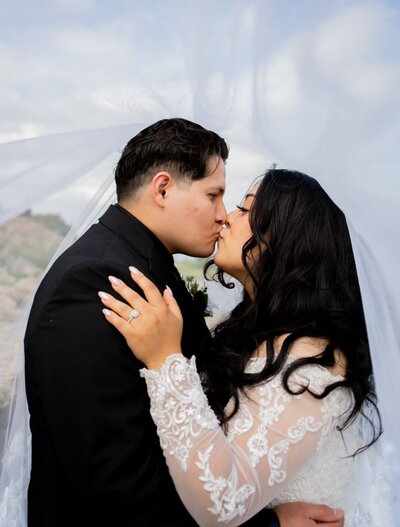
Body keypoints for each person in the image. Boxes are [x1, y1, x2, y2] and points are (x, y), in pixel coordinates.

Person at [24, 120, 342, 527]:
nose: (223, 216)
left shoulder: (146, 267)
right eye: (215, 195)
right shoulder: (96, 283)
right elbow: (119, 488)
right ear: (162, 189)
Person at [99, 168, 384, 526]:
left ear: (287, 237)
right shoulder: (245, 332)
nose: (226, 218)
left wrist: (164, 359)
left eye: (245, 209)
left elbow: (222, 502)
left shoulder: (313, 364)